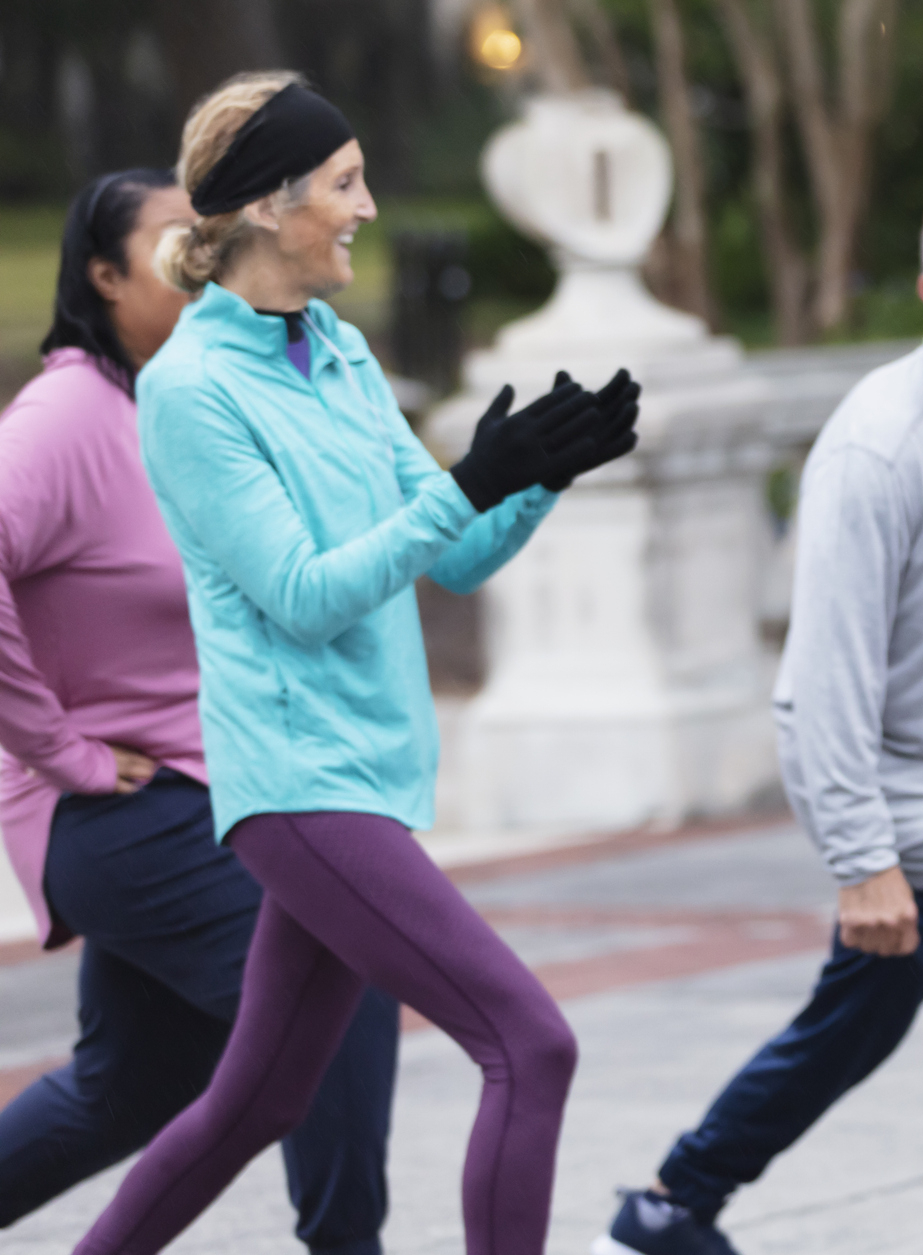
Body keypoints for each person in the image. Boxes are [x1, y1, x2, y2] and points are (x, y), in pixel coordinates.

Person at [74, 72, 638, 1256]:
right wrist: (467, 486)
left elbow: (457, 557)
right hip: (299, 778)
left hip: (368, 770)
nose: (368, 208)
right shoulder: (191, 388)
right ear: (270, 207)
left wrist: (535, 472)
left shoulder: (334, 346)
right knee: (529, 1042)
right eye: (345, 183)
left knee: (256, 1100)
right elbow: (304, 595)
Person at [599, 175, 923, 1256]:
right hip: (903, 799)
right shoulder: (880, 441)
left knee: (855, 1021)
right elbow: (823, 675)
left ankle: (669, 1205)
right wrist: (861, 853)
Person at [0, 167, 398, 1255]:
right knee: (342, 978)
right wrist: (58, 749)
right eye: (176, 240)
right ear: (99, 272)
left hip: (218, 785)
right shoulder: (67, 415)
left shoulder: (193, 394)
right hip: (126, 812)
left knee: (128, 1085)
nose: (203, 257)